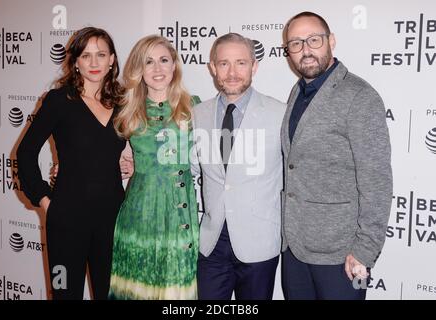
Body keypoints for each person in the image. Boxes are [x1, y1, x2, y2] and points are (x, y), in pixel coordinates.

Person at [280, 11, 393, 300]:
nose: (305, 50)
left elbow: (376, 181)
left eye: (313, 40)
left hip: (342, 255)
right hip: (294, 249)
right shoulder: (299, 91)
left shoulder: (359, 96)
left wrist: (365, 250)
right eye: (295, 43)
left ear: (331, 41)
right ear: (288, 52)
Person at [17, 27, 129, 299]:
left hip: (113, 220)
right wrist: (44, 200)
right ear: (75, 61)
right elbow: (26, 153)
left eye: (101, 55)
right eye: (86, 55)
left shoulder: (124, 102)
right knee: (64, 293)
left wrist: (134, 163)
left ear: (112, 60)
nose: (93, 63)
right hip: (67, 222)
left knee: (110, 295)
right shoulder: (59, 100)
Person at [192, 33, 285, 300]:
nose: (232, 72)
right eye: (224, 63)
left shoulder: (280, 113)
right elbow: (190, 165)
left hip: (258, 243)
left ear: (254, 66)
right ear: (212, 67)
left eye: (241, 63)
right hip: (211, 243)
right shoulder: (199, 114)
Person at [109, 35, 200, 300]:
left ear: (175, 66)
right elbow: (95, 152)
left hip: (179, 212)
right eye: (149, 62)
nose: (158, 69)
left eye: (164, 60)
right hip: (139, 213)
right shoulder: (126, 110)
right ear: (139, 69)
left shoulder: (194, 106)